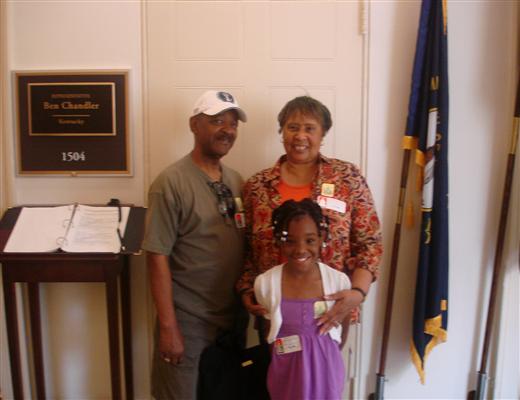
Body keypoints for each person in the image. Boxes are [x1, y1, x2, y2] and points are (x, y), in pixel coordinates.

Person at [237, 95, 382, 337]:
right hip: (274, 311)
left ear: (322, 134)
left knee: (324, 373)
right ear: (282, 132)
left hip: (332, 312)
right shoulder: (257, 186)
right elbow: (246, 250)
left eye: (309, 128)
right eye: (292, 127)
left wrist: (357, 293)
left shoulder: (347, 179)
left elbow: (370, 244)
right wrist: (245, 290)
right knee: (276, 374)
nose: (300, 136)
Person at [142, 90, 248, 399]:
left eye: (233, 123)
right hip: (187, 326)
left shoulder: (237, 181)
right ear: (194, 125)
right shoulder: (170, 183)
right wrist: (168, 327)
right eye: (217, 121)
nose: (227, 130)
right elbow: (156, 256)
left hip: (231, 325)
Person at [254, 199, 351, 400]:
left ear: (321, 238)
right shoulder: (265, 283)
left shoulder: (338, 282)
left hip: (326, 375)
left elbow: (342, 329)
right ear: (280, 241)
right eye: (290, 241)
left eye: (309, 240)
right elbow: (267, 330)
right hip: (285, 375)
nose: (300, 249)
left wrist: (321, 352)